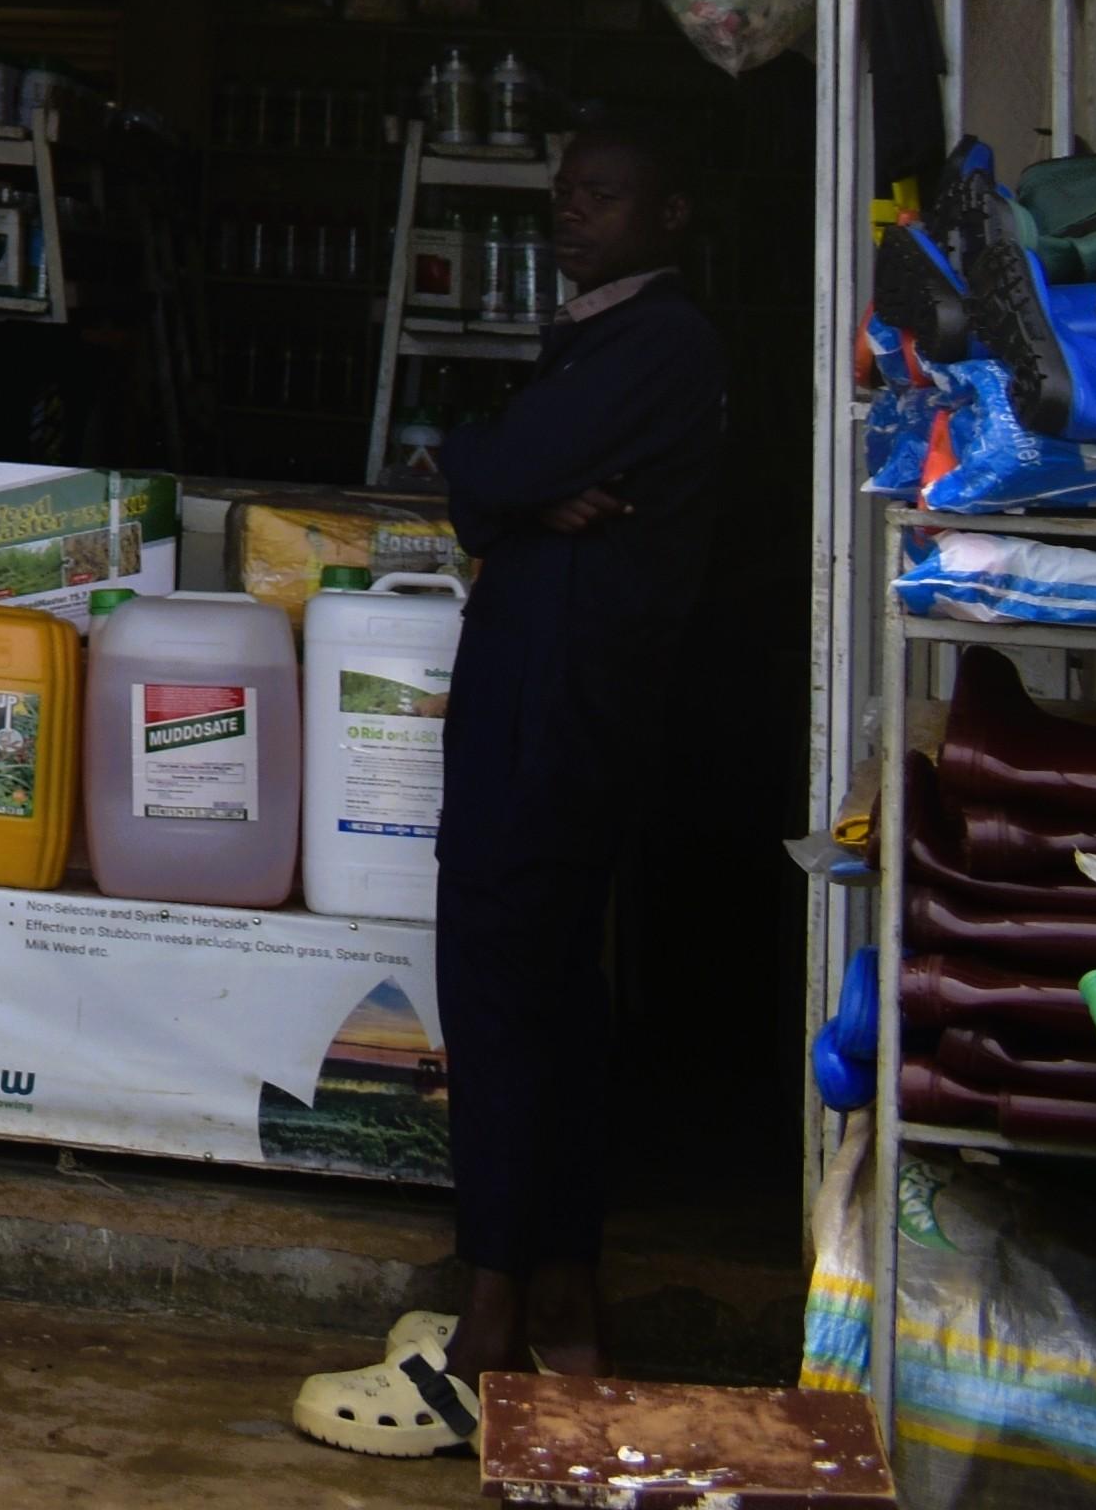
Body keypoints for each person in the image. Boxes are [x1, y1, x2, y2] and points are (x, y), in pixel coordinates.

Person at [296, 125, 727, 1456]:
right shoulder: (604, 340)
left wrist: (513, 478)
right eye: (562, 198)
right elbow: (499, 470)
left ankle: (487, 1338)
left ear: (671, 206)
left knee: (503, 993)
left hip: (555, 730)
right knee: (537, 998)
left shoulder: (664, 342)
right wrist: (522, 480)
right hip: (544, 719)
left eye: (601, 196)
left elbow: (486, 469)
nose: (570, 218)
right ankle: (559, 1314)